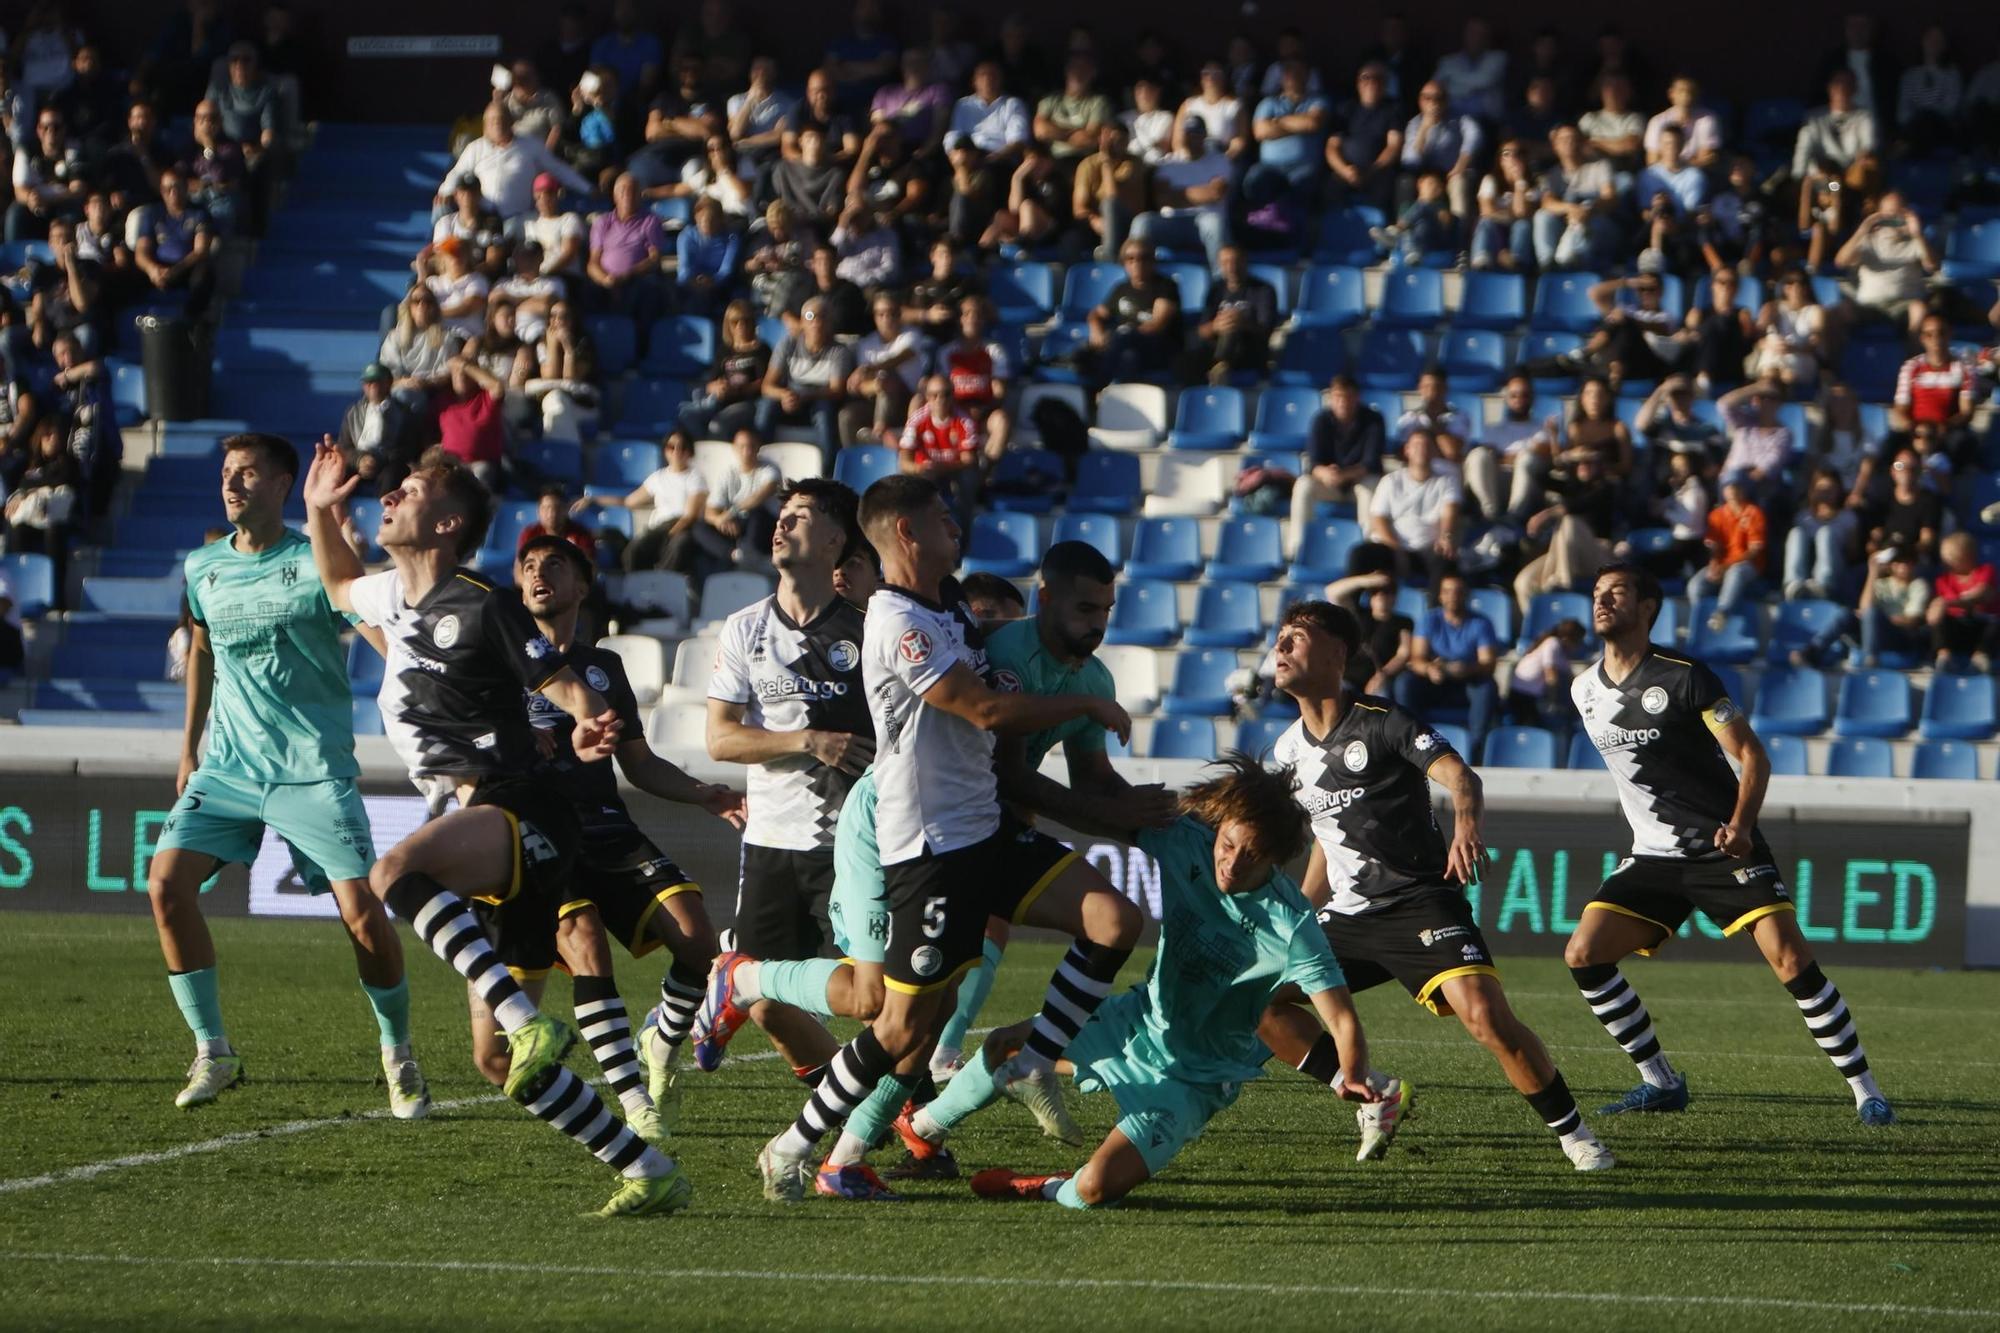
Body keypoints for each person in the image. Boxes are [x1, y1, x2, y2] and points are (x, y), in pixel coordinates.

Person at [302, 441, 690, 1216]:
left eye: (406, 487)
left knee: (392, 876)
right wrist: (319, 509)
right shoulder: (392, 597)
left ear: (446, 522)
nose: (388, 496)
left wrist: (588, 726)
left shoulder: (482, 599)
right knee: (492, 1061)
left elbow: (563, 680)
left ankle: (528, 1019)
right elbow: (339, 580)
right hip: (474, 814)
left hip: (517, 804)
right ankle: (644, 1165)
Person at [752, 475, 1133, 1202]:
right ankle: (800, 1145)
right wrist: (1087, 699)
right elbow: (985, 708)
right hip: (933, 848)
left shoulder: (947, 604)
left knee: (1113, 919)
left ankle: (1032, 1057)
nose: (956, 529)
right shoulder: (899, 621)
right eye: (943, 520)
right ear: (905, 533)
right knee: (898, 1027)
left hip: (984, 828)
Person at [891, 751, 1377, 1206]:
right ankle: (924, 1128)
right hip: (1136, 1023)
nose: (1231, 862)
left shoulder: (1291, 924)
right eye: (1228, 844)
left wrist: (1351, 1073)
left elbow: (1342, 1018)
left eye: (1250, 855)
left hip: (1193, 1080)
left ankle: (1043, 1186)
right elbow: (1100, 818)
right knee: (1007, 1045)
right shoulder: (1185, 841)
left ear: (1274, 858)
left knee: (1095, 1190)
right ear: (1218, 827)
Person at [1266, 600, 1612, 1170]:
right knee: (1258, 998)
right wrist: (1301, 915)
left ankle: (1575, 1134)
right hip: (1348, 918)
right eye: (1279, 639)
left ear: (1335, 653)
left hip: (1419, 902)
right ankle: (1373, 1093)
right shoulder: (1285, 752)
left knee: (1485, 1017)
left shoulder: (1383, 720)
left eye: (1294, 638)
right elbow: (1328, 839)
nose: (1280, 649)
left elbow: (1460, 776)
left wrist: (1465, 827)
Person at [145, 435, 427, 1116]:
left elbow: (379, 634)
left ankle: (399, 1054)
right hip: (230, 767)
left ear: (282, 485)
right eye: (225, 474)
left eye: (247, 474)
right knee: (165, 886)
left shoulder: (316, 561)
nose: (232, 485)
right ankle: (214, 1049)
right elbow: (205, 650)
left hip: (312, 770)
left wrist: (422, 684)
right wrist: (190, 749)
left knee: (362, 915)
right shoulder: (203, 565)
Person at [1565, 563, 1895, 1126]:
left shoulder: (1687, 675)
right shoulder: (1583, 688)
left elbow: (1752, 756)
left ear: (1648, 607)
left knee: (1792, 962)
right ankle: (1661, 1082)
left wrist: (1741, 826)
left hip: (1724, 847)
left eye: (1616, 592)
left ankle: (1866, 1091)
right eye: (1597, 594)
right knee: (1584, 955)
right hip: (1652, 854)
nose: (1602, 602)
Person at [490, 535, 744, 1144]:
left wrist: (705, 793)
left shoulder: (604, 668)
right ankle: (635, 1102)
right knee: (582, 943)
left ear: (583, 585)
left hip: (608, 827)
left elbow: (640, 763)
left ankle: (660, 1043)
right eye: (527, 565)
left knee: (697, 939)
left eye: (554, 564)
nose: (537, 573)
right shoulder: (497, 661)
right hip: (539, 832)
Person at [698, 479, 874, 1088]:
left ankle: (899, 1115)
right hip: (772, 844)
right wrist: (806, 741)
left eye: (800, 517)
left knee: (877, 996)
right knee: (767, 1002)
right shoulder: (744, 629)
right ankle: (853, 1105)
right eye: (781, 516)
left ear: (835, 540)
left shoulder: (867, 629)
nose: (782, 526)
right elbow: (720, 740)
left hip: (852, 846)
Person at [1395, 571, 1501, 755]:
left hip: (1467, 680)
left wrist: (1467, 669)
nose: (1453, 596)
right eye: (1448, 591)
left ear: (1466, 595)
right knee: (1405, 682)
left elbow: (1488, 663)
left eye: (1458, 591)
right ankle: (1410, 743)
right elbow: (1416, 658)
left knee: (1487, 687)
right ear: (1440, 595)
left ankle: (1477, 748)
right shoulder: (1429, 619)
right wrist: (1429, 669)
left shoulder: (1481, 623)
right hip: (1435, 680)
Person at [578, 430, 706, 575]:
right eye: (671, 447)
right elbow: (628, 501)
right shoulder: (658, 477)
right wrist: (594, 499)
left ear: (690, 452)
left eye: (682, 447)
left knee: (679, 545)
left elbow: (690, 516)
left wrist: (668, 536)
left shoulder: (695, 478)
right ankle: (634, 588)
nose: (676, 451)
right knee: (633, 551)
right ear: (665, 451)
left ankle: (660, 583)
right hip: (660, 527)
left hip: (682, 527)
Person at [759, 296, 853, 467]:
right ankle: (761, 462)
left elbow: (837, 390)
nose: (816, 322)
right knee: (766, 405)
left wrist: (805, 396)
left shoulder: (839, 351)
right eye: (810, 316)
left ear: (830, 322)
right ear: (802, 321)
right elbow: (767, 386)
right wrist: (784, 395)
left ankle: (826, 469)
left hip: (821, 396)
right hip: (792, 392)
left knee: (824, 413)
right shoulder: (787, 344)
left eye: (822, 316)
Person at [1289, 374, 1383, 544]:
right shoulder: (1320, 420)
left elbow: (1371, 463)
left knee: (1370, 489)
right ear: (1331, 398)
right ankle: (1299, 548)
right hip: (1329, 483)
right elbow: (1313, 463)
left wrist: (1344, 475)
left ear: (1357, 397)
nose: (1343, 402)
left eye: (1348, 397)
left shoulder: (1374, 420)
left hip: (1359, 482)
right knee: (1303, 485)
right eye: (1338, 397)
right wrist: (1324, 472)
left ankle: (1368, 548)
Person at [1085, 241, 1180, 385]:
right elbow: (1096, 314)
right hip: (1121, 344)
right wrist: (1096, 330)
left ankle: (1099, 388)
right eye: (1130, 258)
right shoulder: (1121, 288)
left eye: (1144, 257)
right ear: (1124, 263)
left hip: (1156, 348)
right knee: (1087, 353)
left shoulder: (1166, 286)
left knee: (1126, 350)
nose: (1137, 263)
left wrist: (1121, 335)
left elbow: (1157, 325)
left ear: (1153, 260)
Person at [679, 300, 771, 441]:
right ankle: (706, 446)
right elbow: (710, 383)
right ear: (728, 325)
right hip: (719, 401)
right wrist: (716, 388)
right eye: (735, 322)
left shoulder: (762, 350)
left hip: (747, 403)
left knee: (719, 425)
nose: (741, 326)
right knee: (686, 415)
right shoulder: (723, 351)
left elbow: (765, 383)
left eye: (746, 321)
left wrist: (738, 390)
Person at [1193, 245, 1278, 384]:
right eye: (1226, 262)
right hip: (1214, 347)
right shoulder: (1215, 290)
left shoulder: (1263, 290)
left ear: (1245, 262)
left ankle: (1221, 366)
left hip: (1249, 349)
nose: (1231, 267)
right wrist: (1215, 325)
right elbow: (1202, 330)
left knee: (1231, 327)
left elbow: (1266, 328)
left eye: (1235, 261)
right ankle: (1219, 368)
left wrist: (1242, 323)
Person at [336, 362, 418, 495]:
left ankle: (386, 513)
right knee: (337, 471)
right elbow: (344, 446)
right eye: (368, 382)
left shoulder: (403, 413)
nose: (372, 386)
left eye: (378, 381)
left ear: (388, 383)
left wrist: (379, 460)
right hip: (360, 460)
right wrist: (359, 460)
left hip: (388, 463)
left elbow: (409, 449)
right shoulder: (353, 412)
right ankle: (336, 513)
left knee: (393, 474)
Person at [1927, 532, 2000, 672]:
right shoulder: (1942, 580)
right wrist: (1935, 611)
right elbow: (1935, 613)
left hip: (1981, 627)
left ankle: (1980, 657)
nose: (1947, 560)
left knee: (1994, 623)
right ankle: (1944, 658)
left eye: (1951, 555)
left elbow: (1980, 594)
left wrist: (1949, 603)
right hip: (1957, 628)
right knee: (1940, 621)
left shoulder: (1985, 571)